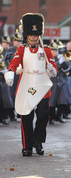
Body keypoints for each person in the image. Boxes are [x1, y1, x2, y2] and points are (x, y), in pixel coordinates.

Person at [4, 13, 57, 156]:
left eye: (36, 35)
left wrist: (52, 69)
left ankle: (38, 141)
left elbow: (53, 66)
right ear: (26, 35)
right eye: (31, 35)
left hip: (42, 86)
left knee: (43, 115)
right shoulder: (21, 49)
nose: (33, 37)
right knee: (26, 116)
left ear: (39, 34)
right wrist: (10, 73)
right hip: (26, 85)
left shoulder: (45, 50)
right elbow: (14, 63)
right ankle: (27, 146)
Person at [49, 41, 71, 124]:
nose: (54, 52)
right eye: (53, 50)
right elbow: (50, 67)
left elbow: (69, 68)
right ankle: (51, 118)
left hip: (62, 81)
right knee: (51, 102)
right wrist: (59, 63)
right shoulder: (49, 58)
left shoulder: (62, 57)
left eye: (56, 51)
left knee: (62, 101)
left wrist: (64, 63)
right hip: (52, 82)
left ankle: (59, 116)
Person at [4, 29, 23, 121]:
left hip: (21, 76)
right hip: (12, 75)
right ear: (13, 41)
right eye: (17, 41)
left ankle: (19, 113)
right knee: (10, 95)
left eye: (20, 41)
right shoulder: (10, 50)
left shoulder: (23, 50)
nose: (19, 43)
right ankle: (11, 114)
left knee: (20, 95)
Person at [0, 44, 13, 125]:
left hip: (2, 81)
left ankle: (3, 118)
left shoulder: (2, 57)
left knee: (4, 101)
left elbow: (4, 67)